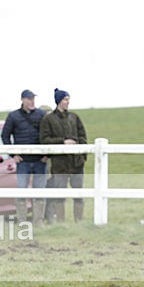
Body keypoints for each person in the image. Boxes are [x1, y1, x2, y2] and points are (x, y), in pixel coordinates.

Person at [40, 88, 87, 222]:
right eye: (66, 99)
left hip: (76, 164)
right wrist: (62, 142)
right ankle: (61, 222)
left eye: (68, 99)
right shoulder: (49, 119)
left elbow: (83, 136)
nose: (68, 102)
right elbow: (45, 140)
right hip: (59, 164)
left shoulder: (74, 117)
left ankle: (79, 221)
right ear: (59, 101)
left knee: (79, 194)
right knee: (60, 195)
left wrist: (82, 155)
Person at [1, 89, 47, 226]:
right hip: (23, 161)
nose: (32, 101)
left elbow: (47, 134)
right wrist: (13, 154)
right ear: (22, 100)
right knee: (21, 189)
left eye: (33, 98)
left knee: (40, 191)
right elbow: (5, 135)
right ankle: (22, 221)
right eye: (29, 98)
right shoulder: (13, 116)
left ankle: (38, 221)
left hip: (40, 160)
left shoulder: (41, 115)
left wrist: (47, 154)